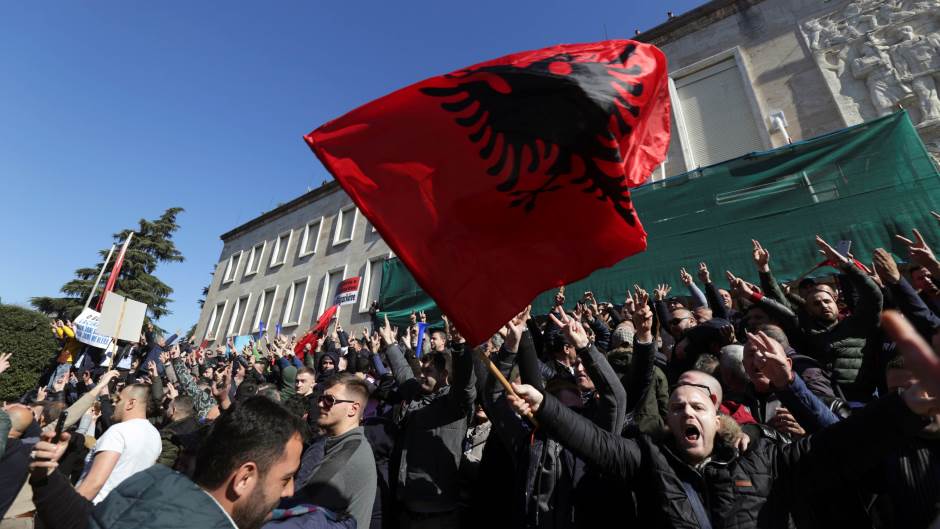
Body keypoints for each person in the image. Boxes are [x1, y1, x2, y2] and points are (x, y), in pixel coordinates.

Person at [507, 312, 939, 528]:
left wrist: (904, 406)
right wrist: (546, 408)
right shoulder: (648, 460)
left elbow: (841, 445)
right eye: (676, 407)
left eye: (696, 406)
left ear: (718, 414)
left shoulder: (768, 459)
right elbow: (597, 443)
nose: (685, 413)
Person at [29, 396, 305, 529]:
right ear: (244, 477)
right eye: (285, 478)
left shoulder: (156, 481)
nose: (290, 491)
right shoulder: (153, 481)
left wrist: (47, 476)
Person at [380, 316, 475, 529]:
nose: (422, 375)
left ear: (445, 375)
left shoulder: (453, 403)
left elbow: (466, 385)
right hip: (405, 506)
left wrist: (460, 347)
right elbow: (404, 374)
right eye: (422, 370)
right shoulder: (417, 394)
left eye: (428, 372)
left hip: (438, 513)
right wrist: (391, 344)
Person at [284, 373, 377, 529]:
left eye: (329, 400)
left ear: (353, 409)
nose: (320, 404)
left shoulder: (349, 453)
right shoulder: (341, 443)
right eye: (321, 399)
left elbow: (299, 507)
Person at [76, 384, 161, 504]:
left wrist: (67, 511)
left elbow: (94, 483)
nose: (114, 404)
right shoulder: (155, 435)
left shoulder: (118, 432)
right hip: (120, 511)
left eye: (119, 400)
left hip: (93, 507)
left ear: (131, 403)